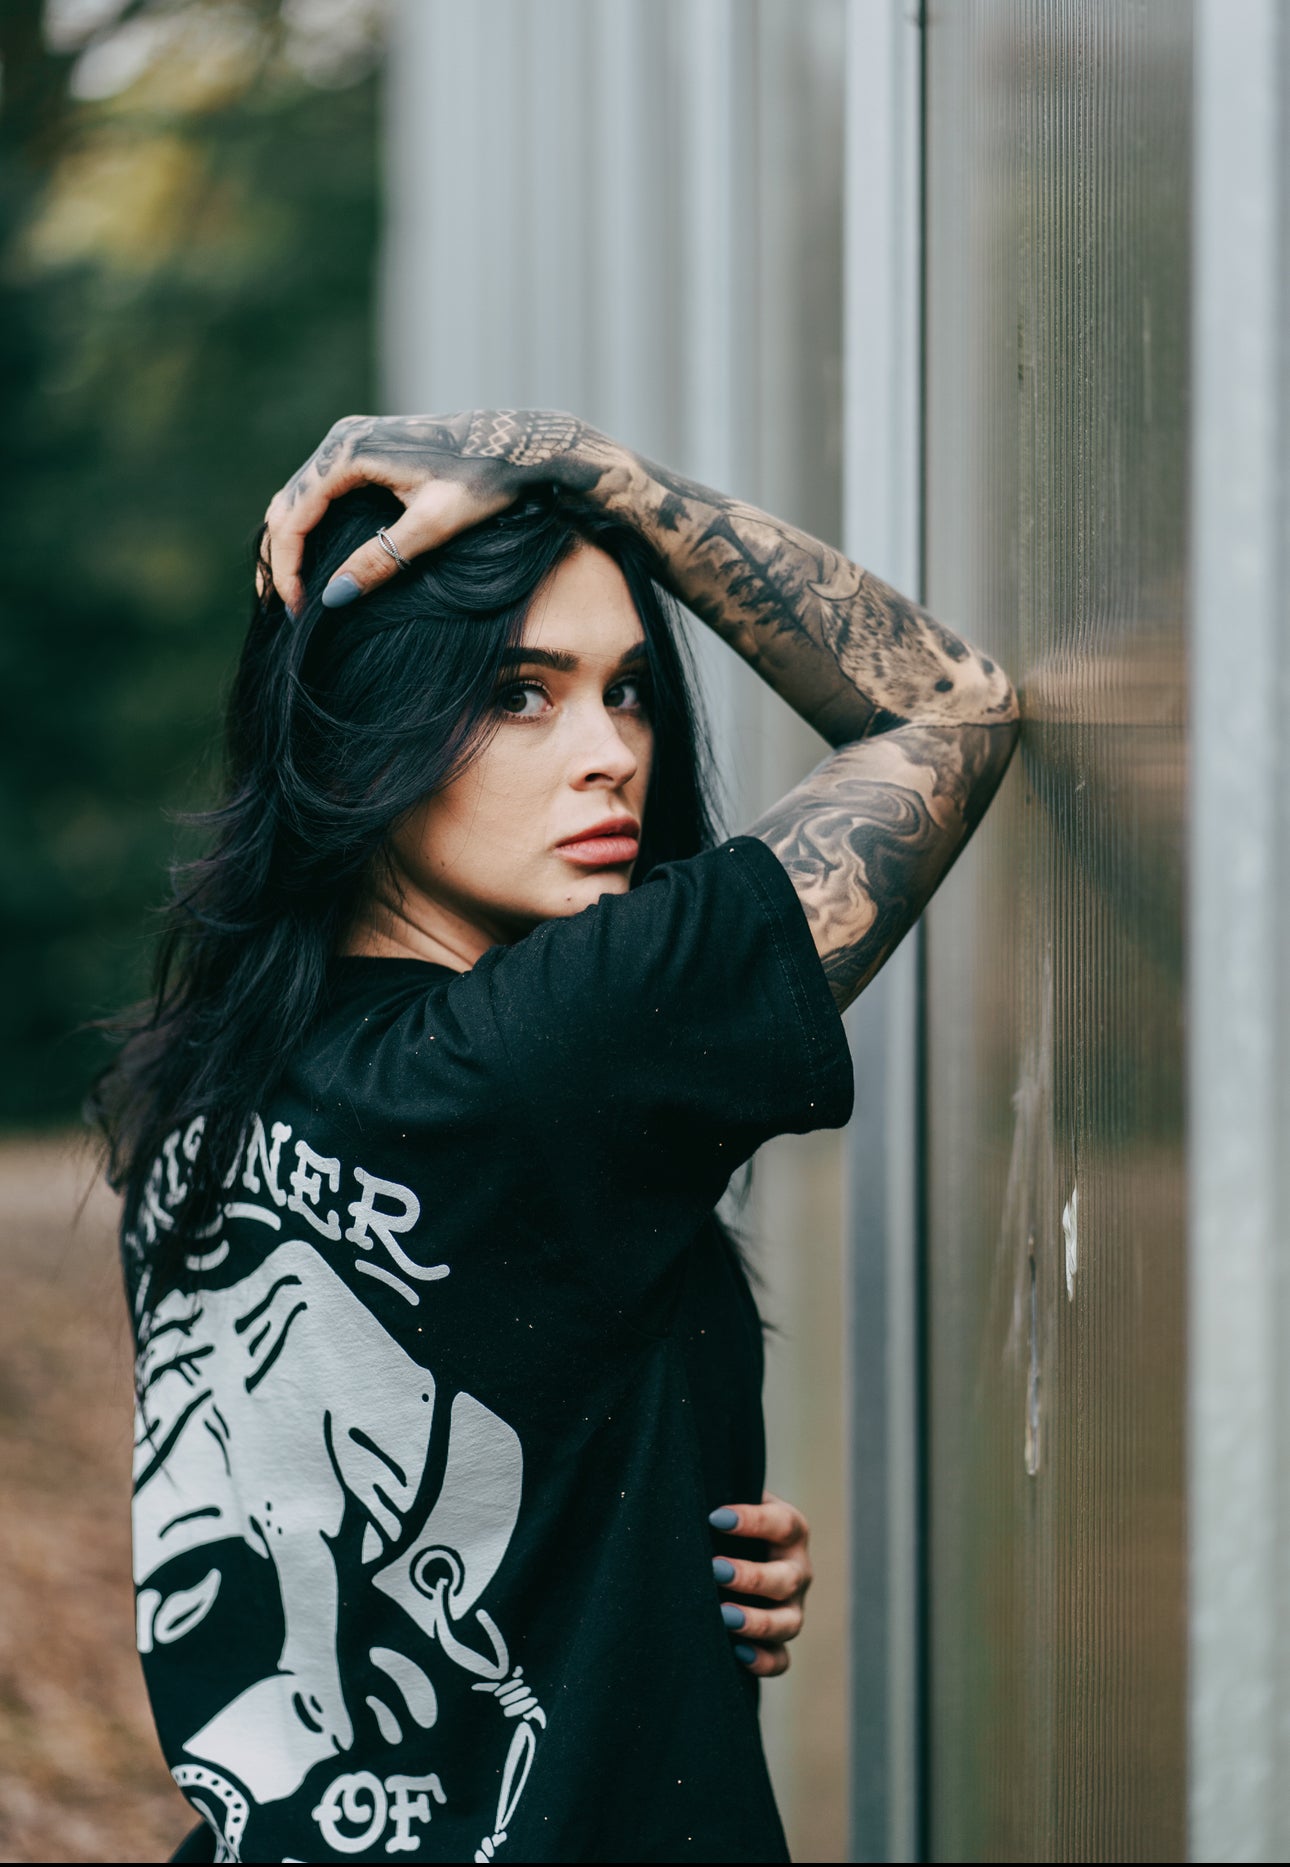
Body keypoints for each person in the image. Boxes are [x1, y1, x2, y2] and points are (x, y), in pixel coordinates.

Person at [95, 409, 1018, 1864]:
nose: (611, 756)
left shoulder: (209, 1080)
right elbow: (952, 709)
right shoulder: (550, 1043)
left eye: (630, 690)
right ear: (362, 720)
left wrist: (639, 1540)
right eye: (521, 694)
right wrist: (597, 470)